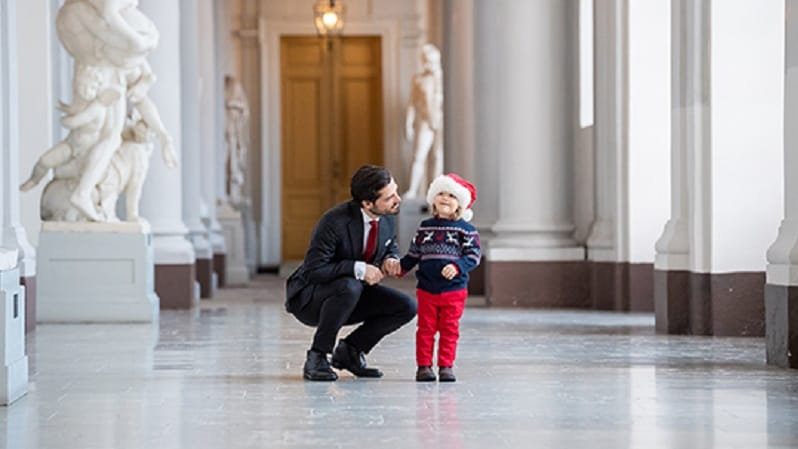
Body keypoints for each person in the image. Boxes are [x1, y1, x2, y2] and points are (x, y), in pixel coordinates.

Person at [285, 165, 418, 381]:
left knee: (406, 307)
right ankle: (317, 356)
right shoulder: (334, 222)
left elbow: (389, 242)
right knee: (350, 285)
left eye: (396, 191)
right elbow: (313, 270)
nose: (398, 199)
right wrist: (360, 268)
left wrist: (390, 257)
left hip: (351, 294)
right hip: (311, 299)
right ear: (367, 203)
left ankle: (351, 351)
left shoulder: (386, 215)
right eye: (389, 196)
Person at [399, 173, 481, 382]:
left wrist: (457, 266)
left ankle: (446, 365)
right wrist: (400, 269)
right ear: (433, 198)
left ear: (460, 205)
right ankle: (424, 366)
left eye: (452, 196)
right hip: (427, 289)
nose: (445, 198)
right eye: (441, 193)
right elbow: (414, 254)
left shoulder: (466, 231)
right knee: (425, 329)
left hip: (454, 290)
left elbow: (473, 256)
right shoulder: (425, 227)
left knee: (449, 329)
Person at [403, 44, 444, 199]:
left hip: (440, 120)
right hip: (425, 120)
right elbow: (412, 103)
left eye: (430, 61)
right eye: (425, 61)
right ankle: (413, 190)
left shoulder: (444, 77)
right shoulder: (419, 79)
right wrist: (408, 123)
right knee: (419, 155)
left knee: (439, 156)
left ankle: (437, 192)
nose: (427, 65)